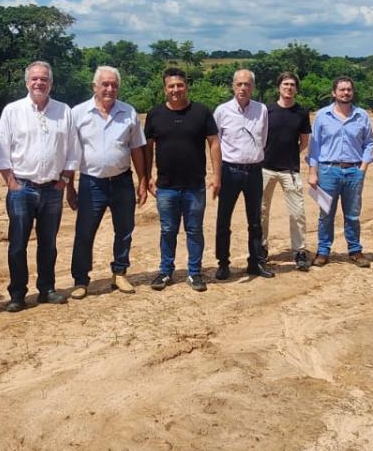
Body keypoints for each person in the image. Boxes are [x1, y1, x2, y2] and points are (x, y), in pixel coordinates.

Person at [0, 61, 77, 311]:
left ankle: (47, 289)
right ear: (27, 82)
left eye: (44, 79)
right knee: (18, 243)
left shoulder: (64, 111)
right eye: (35, 79)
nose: (39, 83)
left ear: (51, 83)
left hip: (52, 189)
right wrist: (11, 182)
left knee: (48, 243)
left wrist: (64, 180)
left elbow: (73, 150)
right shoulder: (13, 111)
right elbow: (0, 149)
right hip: (22, 188)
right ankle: (17, 293)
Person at [68, 66, 148, 299]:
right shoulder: (78, 113)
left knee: (124, 230)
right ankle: (81, 279)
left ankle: (120, 272)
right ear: (95, 86)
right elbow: (72, 153)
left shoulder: (128, 112)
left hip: (122, 181)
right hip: (91, 183)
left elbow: (136, 150)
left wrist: (142, 181)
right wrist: (70, 185)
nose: (110, 89)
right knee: (84, 232)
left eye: (114, 85)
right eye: (105, 84)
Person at [141, 67, 219, 292]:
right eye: (171, 86)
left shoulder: (201, 112)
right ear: (165, 89)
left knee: (194, 230)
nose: (176, 89)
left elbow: (213, 143)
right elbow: (148, 148)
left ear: (187, 86)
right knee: (168, 230)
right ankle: (166, 271)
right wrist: (146, 178)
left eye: (180, 85)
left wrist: (216, 174)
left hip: (195, 185)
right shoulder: (155, 114)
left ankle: (194, 273)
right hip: (166, 187)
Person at [307, 76, 373, 267]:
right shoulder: (322, 115)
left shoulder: (362, 115)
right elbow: (315, 146)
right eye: (342, 90)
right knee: (325, 213)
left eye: (348, 90)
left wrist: (363, 168)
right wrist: (313, 172)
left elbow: (369, 142)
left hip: (354, 171)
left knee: (352, 214)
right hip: (327, 170)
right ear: (334, 93)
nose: (345, 93)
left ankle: (355, 251)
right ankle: (323, 251)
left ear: (352, 92)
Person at [212, 69, 273, 280]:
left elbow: (262, 139)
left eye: (247, 84)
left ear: (253, 87)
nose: (243, 88)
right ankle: (223, 263)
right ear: (233, 86)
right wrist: (216, 175)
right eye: (239, 84)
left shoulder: (262, 110)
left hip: (254, 171)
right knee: (223, 220)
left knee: (255, 220)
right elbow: (215, 144)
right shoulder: (222, 111)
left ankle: (255, 262)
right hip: (230, 171)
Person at [261, 71, 312, 271]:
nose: (288, 88)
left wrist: (290, 153)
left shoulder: (301, 112)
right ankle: (261, 248)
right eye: (285, 84)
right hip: (265, 168)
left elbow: (304, 141)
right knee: (261, 212)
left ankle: (299, 251)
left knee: (297, 212)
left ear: (296, 89)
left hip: (290, 170)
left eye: (292, 85)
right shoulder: (267, 110)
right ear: (278, 88)